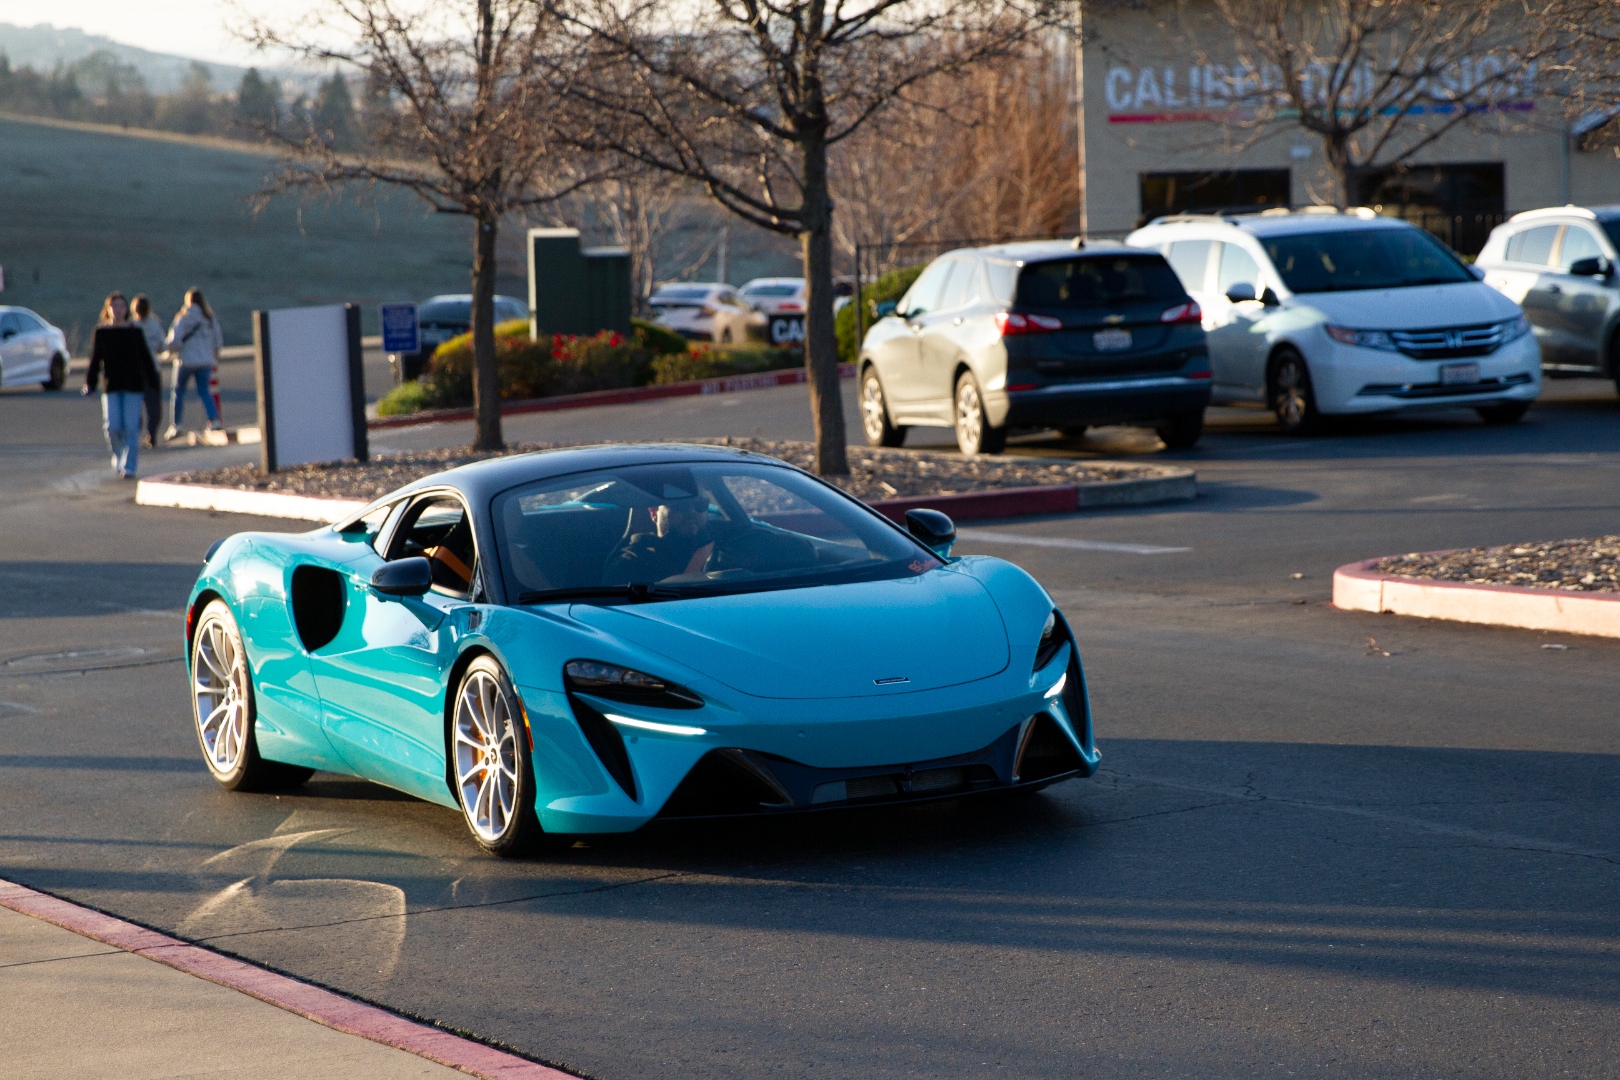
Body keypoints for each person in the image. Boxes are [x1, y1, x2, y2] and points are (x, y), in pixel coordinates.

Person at [82, 291, 160, 478]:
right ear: (108, 310)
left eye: (122, 306)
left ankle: (130, 466)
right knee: (112, 426)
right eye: (114, 306)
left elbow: (146, 359)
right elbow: (95, 361)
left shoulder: (134, 331)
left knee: (131, 427)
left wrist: (153, 382)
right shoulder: (102, 332)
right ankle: (119, 455)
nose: (118, 310)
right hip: (111, 386)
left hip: (133, 386)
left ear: (127, 309)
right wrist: (90, 383)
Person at [606, 489, 717, 583]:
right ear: (654, 513)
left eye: (700, 503)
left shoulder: (724, 546)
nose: (692, 511)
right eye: (680, 504)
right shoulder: (630, 564)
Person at [163, 287, 223, 440]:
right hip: (206, 360)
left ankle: (176, 425)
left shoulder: (183, 317)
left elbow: (173, 341)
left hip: (186, 361)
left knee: (178, 392)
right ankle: (214, 420)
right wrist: (213, 356)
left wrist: (173, 351)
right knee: (204, 391)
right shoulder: (209, 318)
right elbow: (218, 341)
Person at [131, 294, 166, 447]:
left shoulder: (131, 325)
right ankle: (151, 434)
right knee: (154, 406)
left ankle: (135, 435)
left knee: (134, 405)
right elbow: (163, 347)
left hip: (135, 370)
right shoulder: (155, 325)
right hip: (152, 369)